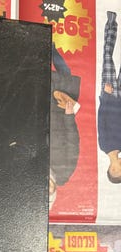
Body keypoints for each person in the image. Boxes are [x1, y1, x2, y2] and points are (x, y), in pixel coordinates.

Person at [49, 45, 81, 205]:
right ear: (54, 191)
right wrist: (69, 116)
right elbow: (73, 142)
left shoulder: (32, 173)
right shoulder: (65, 173)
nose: (47, 187)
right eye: (49, 191)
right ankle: (50, 47)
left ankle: (41, 45)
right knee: (65, 74)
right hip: (61, 115)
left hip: (39, 112)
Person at [98, 11, 121, 183]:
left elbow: (102, 119)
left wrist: (106, 96)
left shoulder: (104, 145)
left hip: (109, 94)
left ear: (113, 169)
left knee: (107, 56)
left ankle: (111, 22)